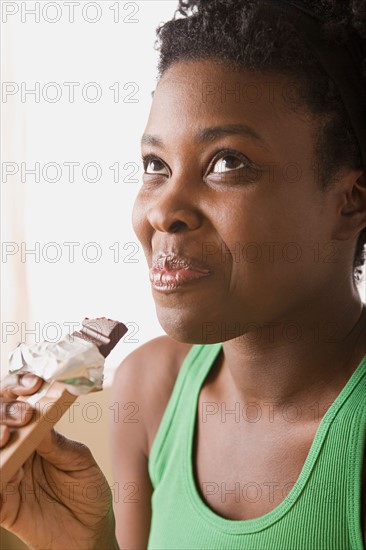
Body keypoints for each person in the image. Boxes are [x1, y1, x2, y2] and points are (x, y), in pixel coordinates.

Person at [1, 0, 365, 548]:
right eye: (156, 167)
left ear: (348, 203)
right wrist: (82, 540)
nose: (162, 209)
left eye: (227, 163)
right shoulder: (150, 391)